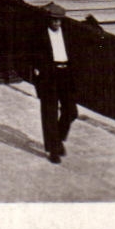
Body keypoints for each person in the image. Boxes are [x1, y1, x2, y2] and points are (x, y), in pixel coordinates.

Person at [32, 9, 77, 163]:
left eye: (59, 20)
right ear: (48, 20)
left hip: (65, 74)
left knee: (71, 111)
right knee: (50, 112)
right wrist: (40, 75)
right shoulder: (40, 36)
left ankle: (57, 139)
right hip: (50, 76)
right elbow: (34, 57)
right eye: (54, 20)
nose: (57, 23)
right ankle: (53, 149)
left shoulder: (67, 34)